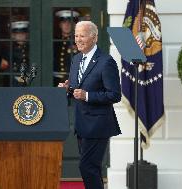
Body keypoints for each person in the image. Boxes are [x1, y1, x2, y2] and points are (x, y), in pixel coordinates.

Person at [58, 21, 121, 189]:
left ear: (94, 37)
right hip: (81, 123)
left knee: (87, 167)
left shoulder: (106, 61)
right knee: (91, 168)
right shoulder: (76, 59)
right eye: (76, 35)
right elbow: (76, 89)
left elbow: (114, 95)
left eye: (82, 35)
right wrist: (68, 89)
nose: (78, 39)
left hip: (98, 125)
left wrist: (87, 95)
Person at [0, 20, 30, 86]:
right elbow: (3, 68)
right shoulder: (8, 50)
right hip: (13, 81)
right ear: (13, 36)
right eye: (17, 34)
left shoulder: (31, 48)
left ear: (27, 35)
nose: (20, 36)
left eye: (22, 34)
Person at [53, 10, 79, 86]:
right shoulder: (54, 40)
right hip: (54, 79)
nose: (67, 25)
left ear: (74, 25)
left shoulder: (78, 41)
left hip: (72, 80)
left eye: (70, 23)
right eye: (64, 22)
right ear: (60, 25)